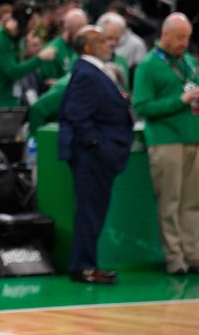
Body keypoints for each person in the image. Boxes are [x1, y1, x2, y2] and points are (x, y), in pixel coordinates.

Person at [59, 26, 133, 284]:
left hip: (97, 154)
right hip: (91, 156)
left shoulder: (94, 70)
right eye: (101, 40)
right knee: (89, 212)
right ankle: (83, 266)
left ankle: (87, 264)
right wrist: (96, 144)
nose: (108, 44)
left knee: (94, 211)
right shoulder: (86, 73)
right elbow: (76, 114)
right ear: (88, 47)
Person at [132, 13, 199, 275]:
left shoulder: (190, 63)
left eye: (188, 38)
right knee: (170, 203)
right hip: (165, 141)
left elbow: (191, 91)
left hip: (193, 138)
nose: (184, 43)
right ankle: (174, 258)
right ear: (165, 34)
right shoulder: (149, 65)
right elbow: (142, 106)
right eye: (180, 37)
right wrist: (179, 101)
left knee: (192, 203)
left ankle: (193, 253)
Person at [0, 0, 56, 109]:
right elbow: (13, 71)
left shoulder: (19, 39)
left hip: (14, 101)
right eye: (32, 23)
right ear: (23, 21)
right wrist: (40, 58)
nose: (33, 28)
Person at [38, 8, 88, 85]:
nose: (83, 34)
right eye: (78, 29)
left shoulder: (82, 47)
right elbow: (47, 82)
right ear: (67, 29)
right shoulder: (53, 50)